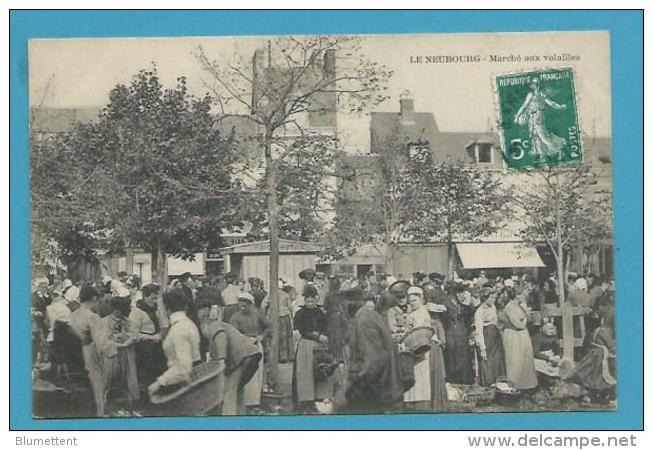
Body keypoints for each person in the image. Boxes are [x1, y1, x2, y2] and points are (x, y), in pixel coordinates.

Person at [345, 287, 403, 413]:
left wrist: (360, 375)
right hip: (379, 377)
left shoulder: (364, 319)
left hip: (373, 380)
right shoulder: (369, 316)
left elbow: (373, 356)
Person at [148, 288, 201, 397]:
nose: (158, 311)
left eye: (160, 307)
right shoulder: (185, 323)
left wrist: (159, 382)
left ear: (167, 308)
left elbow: (184, 367)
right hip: (185, 381)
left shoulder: (179, 330)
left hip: (183, 385)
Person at [205, 319, 263, 415]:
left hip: (243, 357)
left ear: (204, 327)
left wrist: (221, 361)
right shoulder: (223, 326)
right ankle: (240, 418)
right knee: (238, 389)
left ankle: (229, 421)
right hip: (252, 354)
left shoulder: (214, 326)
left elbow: (221, 338)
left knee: (229, 390)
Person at [292, 286, 334, 413]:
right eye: (308, 301)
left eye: (312, 301)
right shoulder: (300, 313)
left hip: (319, 346)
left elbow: (325, 326)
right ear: (304, 301)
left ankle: (319, 399)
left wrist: (323, 335)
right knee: (305, 373)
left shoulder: (320, 313)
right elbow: (302, 330)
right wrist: (317, 336)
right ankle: (306, 401)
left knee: (320, 371)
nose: (310, 303)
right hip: (306, 344)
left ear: (316, 300)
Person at [96, 294, 140, 411]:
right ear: (115, 310)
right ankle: (102, 401)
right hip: (110, 354)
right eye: (119, 311)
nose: (121, 314)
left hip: (126, 353)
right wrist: (115, 341)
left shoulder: (127, 322)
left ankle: (129, 402)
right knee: (107, 376)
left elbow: (135, 334)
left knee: (127, 376)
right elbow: (100, 341)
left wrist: (127, 339)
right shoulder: (103, 322)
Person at [69, 285, 107, 416]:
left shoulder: (72, 315)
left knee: (78, 382)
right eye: (98, 301)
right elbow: (100, 342)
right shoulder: (93, 317)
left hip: (73, 353)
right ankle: (99, 412)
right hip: (87, 352)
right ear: (94, 298)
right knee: (96, 382)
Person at [228, 292, 270, 407]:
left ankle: (255, 400)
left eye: (245, 303)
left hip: (256, 344)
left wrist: (261, 336)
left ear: (250, 304)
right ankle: (246, 401)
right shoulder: (235, 317)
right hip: (243, 347)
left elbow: (269, 326)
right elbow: (232, 333)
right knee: (246, 373)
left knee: (257, 372)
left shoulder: (257, 314)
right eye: (240, 302)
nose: (242, 305)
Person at [513, 76, 567, 160]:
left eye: (533, 84)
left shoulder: (532, 95)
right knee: (536, 136)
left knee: (542, 136)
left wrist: (517, 116)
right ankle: (542, 155)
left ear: (536, 85)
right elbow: (551, 103)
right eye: (531, 84)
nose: (531, 85)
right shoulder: (541, 94)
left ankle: (560, 148)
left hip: (537, 117)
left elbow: (524, 106)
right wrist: (560, 107)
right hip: (535, 117)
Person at [571, 309, 616, 402]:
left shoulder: (592, 331)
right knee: (600, 376)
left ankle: (592, 395)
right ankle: (601, 396)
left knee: (591, 375)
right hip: (600, 356)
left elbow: (586, 345)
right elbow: (611, 346)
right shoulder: (603, 331)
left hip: (592, 354)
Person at [129, 284, 166, 388]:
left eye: (157, 298)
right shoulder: (137, 312)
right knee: (147, 376)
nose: (155, 301)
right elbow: (133, 333)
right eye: (153, 298)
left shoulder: (156, 309)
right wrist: (151, 337)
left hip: (157, 346)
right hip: (144, 348)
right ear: (145, 296)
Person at [500, 287, 538, 390]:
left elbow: (529, 319)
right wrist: (525, 316)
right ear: (517, 296)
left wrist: (525, 311)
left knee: (525, 361)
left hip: (522, 335)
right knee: (515, 361)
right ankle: (515, 385)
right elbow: (519, 324)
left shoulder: (520, 306)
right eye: (523, 294)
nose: (525, 296)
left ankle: (526, 385)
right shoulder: (510, 307)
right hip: (513, 335)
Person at [402, 287, 432, 411]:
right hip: (413, 345)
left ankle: (419, 400)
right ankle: (413, 398)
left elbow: (419, 332)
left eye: (414, 300)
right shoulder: (414, 312)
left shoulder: (421, 313)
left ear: (421, 299)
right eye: (411, 301)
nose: (412, 303)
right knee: (415, 371)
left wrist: (408, 328)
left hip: (419, 346)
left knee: (420, 372)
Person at [441, 283, 474, 384]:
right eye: (461, 293)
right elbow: (444, 321)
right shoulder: (446, 303)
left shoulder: (461, 304)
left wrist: (468, 306)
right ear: (456, 293)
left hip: (462, 333)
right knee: (453, 358)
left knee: (463, 357)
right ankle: (454, 380)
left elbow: (468, 317)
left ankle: (464, 380)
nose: (463, 295)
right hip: (451, 333)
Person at [474, 286, 505, 387]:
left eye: (494, 298)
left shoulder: (493, 307)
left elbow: (496, 321)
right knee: (486, 359)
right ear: (484, 298)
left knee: (497, 359)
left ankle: (497, 382)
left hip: (495, 336)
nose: (493, 300)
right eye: (491, 298)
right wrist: (482, 347)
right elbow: (478, 330)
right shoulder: (479, 311)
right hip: (486, 336)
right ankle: (487, 384)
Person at [324, 276, 347, 364]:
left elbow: (325, 306)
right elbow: (345, 306)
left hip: (332, 315)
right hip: (341, 316)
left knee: (332, 336)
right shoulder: (342, 294)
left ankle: (333, 355)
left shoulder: (328, 294)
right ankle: (340, 356)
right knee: (341, 335)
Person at [278, 285, 296, 363]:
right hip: (285, 316)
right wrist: (292, 317)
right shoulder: (285, 295)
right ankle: (291, 355)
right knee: (289, 335)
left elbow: (263, 305)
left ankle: (283, 356)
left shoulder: (271, 294)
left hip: (277, 317)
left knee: (281, 336)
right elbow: (290, 307)